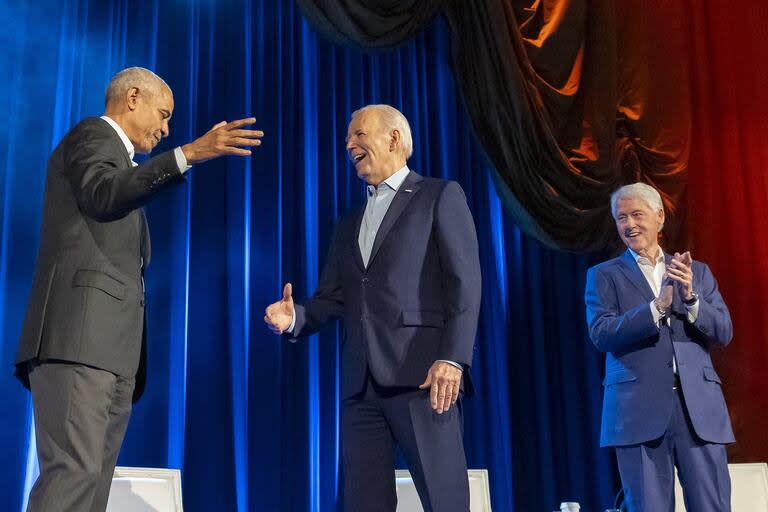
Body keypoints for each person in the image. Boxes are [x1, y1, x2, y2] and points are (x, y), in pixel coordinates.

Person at [15, 66, 263, 512]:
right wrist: (187, 154)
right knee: (74, 475)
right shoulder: (93, 135)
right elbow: (104, 195)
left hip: (113, 353)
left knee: (92, 487)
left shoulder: (122, 163)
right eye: (163, 114)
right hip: (78, 343)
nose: (166, 129)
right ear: (132, 98)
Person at [264, 104, 481, 511]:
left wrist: (452, 359)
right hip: (360, 386)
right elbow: (333, 299)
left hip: (424, 378)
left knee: (445, 500)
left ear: (393, 139)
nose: (349, 144)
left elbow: (465, 284)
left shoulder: (439, 195)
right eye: (348, 138)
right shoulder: (349, 221)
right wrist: (295, 318)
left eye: (359, 135)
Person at [584, 182, 734, 511]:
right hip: (638, 411)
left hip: (698, 411)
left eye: (637, 214)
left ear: (660, 217)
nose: (629, 224)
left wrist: (691, 299)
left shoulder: (697, 273)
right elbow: (601, 333)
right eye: (621, 217)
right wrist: (657, 307)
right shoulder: (604, 275)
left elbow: (723, 332)